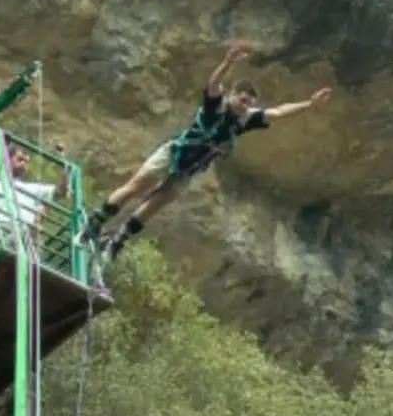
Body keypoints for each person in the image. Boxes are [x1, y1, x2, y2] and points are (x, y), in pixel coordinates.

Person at [75, 39, 333, 264]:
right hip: (176, 151)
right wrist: (227, 62)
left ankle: (118, 241)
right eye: (242, 100)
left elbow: (277, 112)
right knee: (136, 186)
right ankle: (94, 224)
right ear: (233, 94)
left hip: (190, 169)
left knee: (156, 203)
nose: (245, 106)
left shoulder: (245, 119)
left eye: (249, 103)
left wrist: (309, 105)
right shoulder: (216, 105)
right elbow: (214, 83)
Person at [0, 142, 69, 282]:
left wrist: (61, 161)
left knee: (35, 221)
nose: (23, 164)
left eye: (25, 161)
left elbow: (61, 191)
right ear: (7, 159)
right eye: (19, 159)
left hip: (22, 233)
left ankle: (23, 278)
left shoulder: (31, 189)